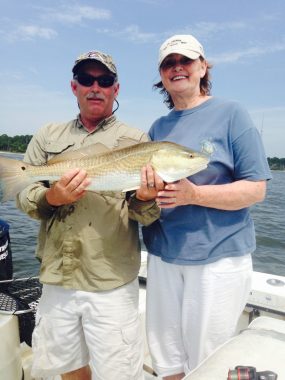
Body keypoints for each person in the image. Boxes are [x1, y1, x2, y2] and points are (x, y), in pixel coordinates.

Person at [16, 50, 160, 380]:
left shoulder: (136, 140)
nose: (95, 87)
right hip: (58, 275)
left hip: (109, 278)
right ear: (74, 86)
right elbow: (25, 196)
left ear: (116, 89)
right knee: (66, 365)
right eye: (86, 79)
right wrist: (52, 196)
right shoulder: (48, 135)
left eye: (104, 80)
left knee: (117, 372)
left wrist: (145, 197)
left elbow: (145, 215)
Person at [139, 34, 272, 379]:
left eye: (185, 60)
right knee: (166, 357)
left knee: (206, 360)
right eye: (169, 63)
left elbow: (256, 189)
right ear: (161, 75)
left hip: (217, 258)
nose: (177, 68)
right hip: (164, 255)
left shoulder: (232, 114)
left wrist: (195, 196)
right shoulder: (158, 127)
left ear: (202, 66)